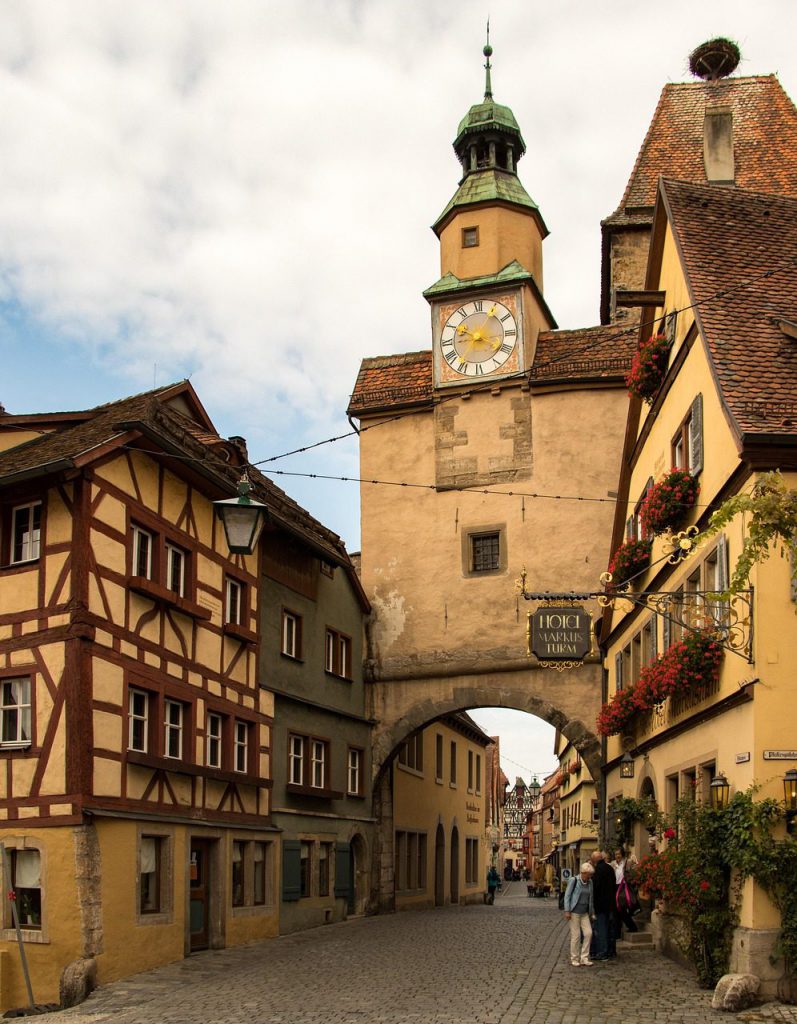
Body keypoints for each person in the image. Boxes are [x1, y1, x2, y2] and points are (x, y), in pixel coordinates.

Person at [563, 862, 595, 966]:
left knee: (588, 933)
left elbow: (591, 898)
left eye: (591, 874)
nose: (590, 876)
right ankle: (574, 958)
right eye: (588, 874)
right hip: (574, 913)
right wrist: (567, 910)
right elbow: (567, 895)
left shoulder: (590, 882)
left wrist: (592, 912)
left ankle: (584, 957)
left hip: (585, 913)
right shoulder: (574, 880)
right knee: (576, 936)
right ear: (583, 872)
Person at [589, 850, 617, 961]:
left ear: (594, 860)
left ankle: (602, 952)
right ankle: (611, 951)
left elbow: (595, 889)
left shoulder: (597, 871)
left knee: (601, 929)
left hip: (600, 905)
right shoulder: (610, 869)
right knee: (610, 928)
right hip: (611, 903)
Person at [610, 847, 638, 934]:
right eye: (615, 854)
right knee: (616, 909)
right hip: (615, 887)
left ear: (622, 854)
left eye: (618, 854)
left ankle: (631, 926)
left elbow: (635, 870)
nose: (617, 856)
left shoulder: (627, 862)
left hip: (624, 886)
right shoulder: (612, 864)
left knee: (621, 907)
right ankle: (618, 931)